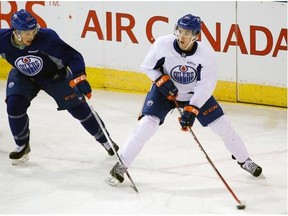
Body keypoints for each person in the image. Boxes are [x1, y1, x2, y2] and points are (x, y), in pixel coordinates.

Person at [106, 14, 262, 185]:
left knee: (225, 127)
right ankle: (121, 164)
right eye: (180, 31)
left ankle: (245, 160)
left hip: (193, 95)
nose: (182, 36)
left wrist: (192, 108)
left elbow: (205, 86)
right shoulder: (163, 44)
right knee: (145, 126)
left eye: (187, 32)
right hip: (164, 93)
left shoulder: (206, 55)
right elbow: (147, 67)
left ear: (195, 36)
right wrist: (160, 79)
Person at [0, 9, 119, 165]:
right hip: (23, 76)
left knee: (79, 109)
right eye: (26, 33)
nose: (32, 35)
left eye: (33, 30)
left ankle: (106, 140)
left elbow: (73, 56)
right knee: (14, 105)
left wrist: (79, 76)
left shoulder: (47, 38)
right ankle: (22, 144)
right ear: (15, 32)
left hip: (55, 76)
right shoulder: (2, 39)